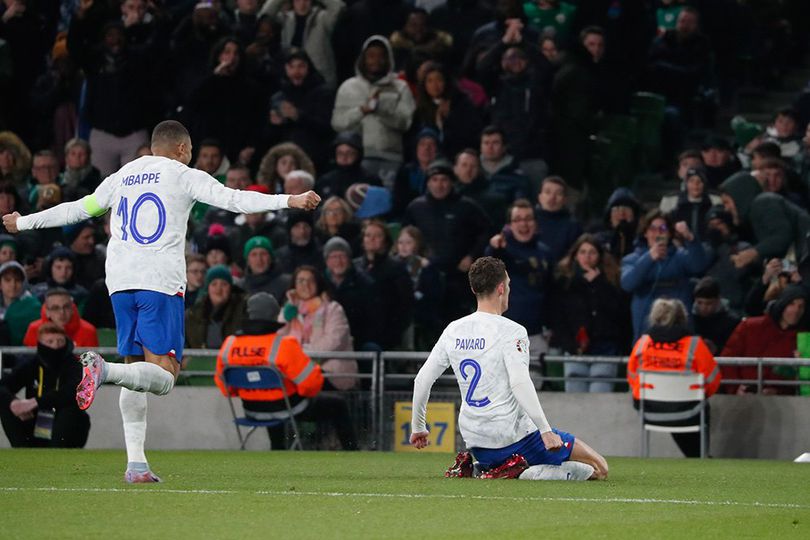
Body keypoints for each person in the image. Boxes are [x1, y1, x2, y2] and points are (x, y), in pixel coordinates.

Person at [1, 120, 320, 482]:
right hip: (158, 282)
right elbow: (234, 199)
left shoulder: (122, 175)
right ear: (183, 149)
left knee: (136, 370)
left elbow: (77, 209)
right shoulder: (182, 174)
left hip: (120, 283)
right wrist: (288, 199)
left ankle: (136, 464)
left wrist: (24, 222)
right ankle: (103, 371)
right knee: (165, 377)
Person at [410, 256, 608, 480]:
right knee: (599, 468)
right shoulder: (512, 331)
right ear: (502, 288)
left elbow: (422, 379)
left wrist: (418, 427)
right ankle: (520, 471)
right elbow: (520, 382)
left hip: (475, 440)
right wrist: (545, 430)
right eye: (510, 285)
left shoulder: (453, 329)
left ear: (474, 288)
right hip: (513, 438)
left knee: (570, 461)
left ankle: (482, 468)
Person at [627, 298, 721, 458]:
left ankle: (696, 455)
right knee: (699, 406)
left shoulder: (643, 343)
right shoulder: (694, 344)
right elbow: (713, 380)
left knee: (675, 409)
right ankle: (701, 456)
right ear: (683, 318)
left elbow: (632, 377)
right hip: (689, 411)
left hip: (650, 410)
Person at [551, 234, 630, 393]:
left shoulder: (611, 282)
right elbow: (559, 318)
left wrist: (598, 284)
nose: (587, 257)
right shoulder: (564, 283)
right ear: (575, 255)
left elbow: (618, 314)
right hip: (575, 349)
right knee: (575, 399)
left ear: (600, 256)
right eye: (583, 252)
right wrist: (570, 344)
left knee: (600, 396)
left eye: (592, 252)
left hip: (605, 349)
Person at [0, 323, 90, 448]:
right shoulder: (32, 364)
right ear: (41, 344)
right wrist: (13, 402)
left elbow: (73, 391)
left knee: (71, 410)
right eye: (50, 342)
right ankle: (22, 451)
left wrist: (35, 402)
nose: (56, 346)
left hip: (63, 422)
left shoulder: (74, 365)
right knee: (6, 406)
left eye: (60, 341)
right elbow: (3, 386)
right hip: (34, 419)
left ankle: (59, 450)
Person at [278, 265, 359, 395]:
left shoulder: (332, 308)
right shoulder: (290, 309)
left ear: (318, 284)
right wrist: (287, 314)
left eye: (311, 280)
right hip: (298, 372)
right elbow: (278, 339)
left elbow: (335, 341)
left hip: (330, 373)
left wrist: (304, 358)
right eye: (301, 281)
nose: (306, 285)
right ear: (294, 285)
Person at [720, 284, 805, 395]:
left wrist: (779, 392)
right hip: (741, 397)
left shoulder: (804, 340)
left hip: (782, 404)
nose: (796, 310)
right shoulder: (749, 326)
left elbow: (801, 380)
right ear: (782, 304)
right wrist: (735, 388)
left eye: (801, 306)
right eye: (791, 304)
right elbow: (727, 359)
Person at [23, 288, 98, 348]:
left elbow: (94, 365)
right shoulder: (34, 329)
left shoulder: (88, 331)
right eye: (55, 308)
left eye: (66, 307)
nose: (62, 312)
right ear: (47, 312)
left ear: (72, 309)